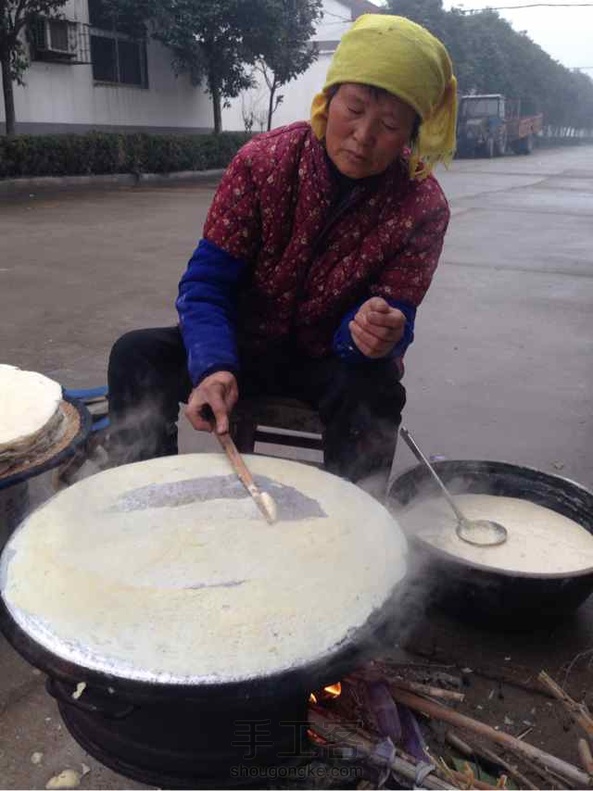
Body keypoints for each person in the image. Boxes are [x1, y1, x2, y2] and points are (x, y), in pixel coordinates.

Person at [107, 14, 458, 482]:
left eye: (390, 124)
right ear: (328, 99)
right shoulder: (264, 163)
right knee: (136, 354)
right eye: (354, 109)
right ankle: (144, 493)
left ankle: (356, 515)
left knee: (375, 391)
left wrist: (376, 332)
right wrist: (213, 366)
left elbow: (398, 314)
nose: (363, 135)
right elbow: (206, 285)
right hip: (241, 347)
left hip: (330, 361)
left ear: (412, 134)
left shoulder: (422, 206)